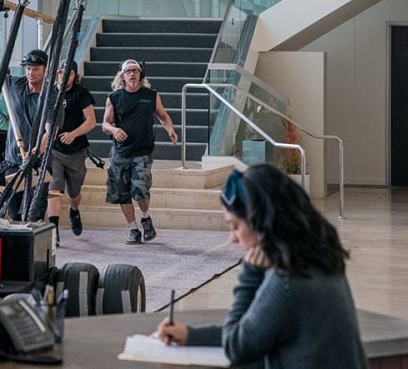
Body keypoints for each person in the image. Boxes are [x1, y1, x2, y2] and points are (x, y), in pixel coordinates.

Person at [154, 165, 367, 368]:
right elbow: (256, 330)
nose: (233, 238)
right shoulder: (320, 259)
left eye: (235, 226)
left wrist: (251, 272)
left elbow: (237, 347)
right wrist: (191, 335)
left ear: (260, 221)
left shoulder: (286, 280)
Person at [102, 58, 177, 244]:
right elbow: (105, 124)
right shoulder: (114, 98)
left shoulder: (150, 95)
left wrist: (170, 129)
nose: (132, 74)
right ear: (123, 76)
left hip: (142, 150)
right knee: (122, 193)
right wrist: (114, 130)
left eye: (135, 71)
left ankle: (145, 217)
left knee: (141, 189)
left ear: (140, 75)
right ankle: (133, 229)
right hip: (120, 153)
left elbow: (163, 115)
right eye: (128, 71)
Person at [46, 60, 96, 241]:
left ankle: (74, 211)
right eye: (60, 72)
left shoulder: (81, 94)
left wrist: (73, 134)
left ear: (74, 76)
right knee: (54, 187)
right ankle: (54, 231)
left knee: (74, 192)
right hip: (54, 150)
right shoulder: (50, 93)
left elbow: (91, 121)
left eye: (68, 73)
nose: (63, 76)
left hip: (75, 150)